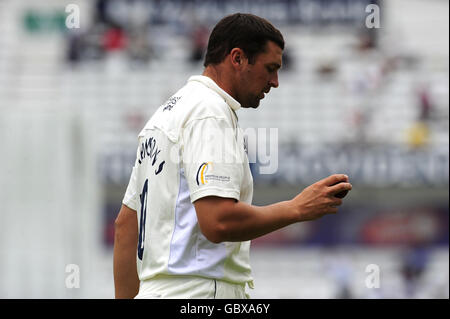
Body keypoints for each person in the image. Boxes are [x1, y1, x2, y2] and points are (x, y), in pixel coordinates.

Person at [113, 13, 352, 299]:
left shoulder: (161, 120)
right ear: (237, 58)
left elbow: (126, 226)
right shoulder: (209, 112)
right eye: (270, 68)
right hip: (200, 293)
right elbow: (218, 221)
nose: (275, 82)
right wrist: (297, 208)